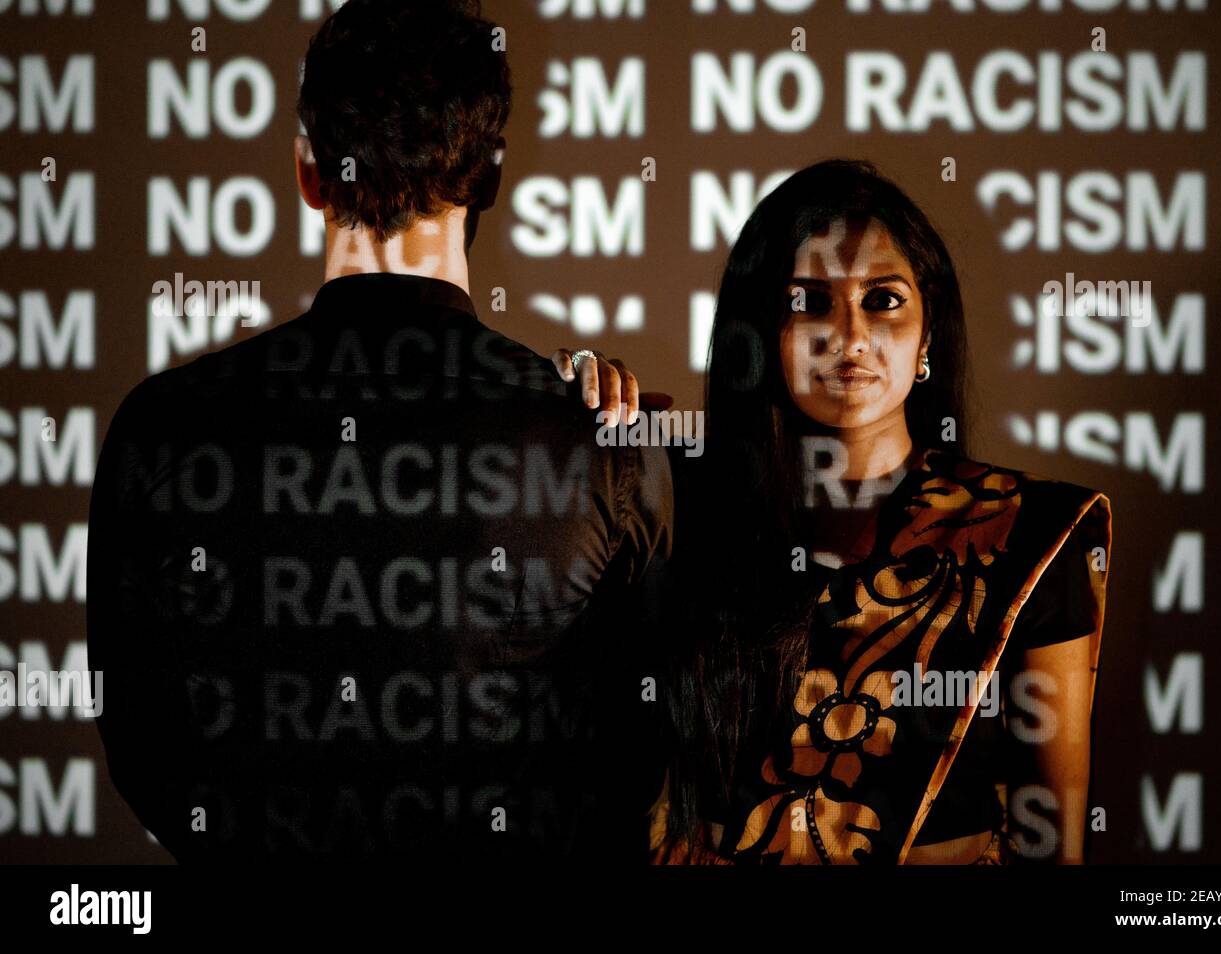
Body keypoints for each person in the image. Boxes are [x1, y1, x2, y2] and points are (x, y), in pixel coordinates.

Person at [86, 0, 672, 861]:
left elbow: (144, 745)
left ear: (309, 175)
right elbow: (638, 756)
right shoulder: (600, 442)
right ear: (490, 179)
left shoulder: (165, 428)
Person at [556, 158, 1112, 865]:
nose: (850, 336)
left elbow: (1054, 840)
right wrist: (564, 409)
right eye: (809, 301)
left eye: (882, 300)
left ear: (928, 336)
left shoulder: (1028, 532)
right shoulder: (681, 502)